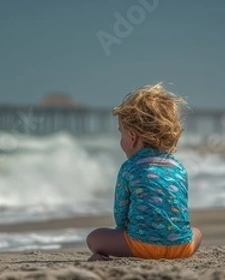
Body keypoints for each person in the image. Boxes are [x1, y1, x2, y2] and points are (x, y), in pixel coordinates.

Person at [86, 83, 202, 261]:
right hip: (182, 247)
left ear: (132, 137)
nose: (121, 139)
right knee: (197, 233)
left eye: (121, 133)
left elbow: (121, 213)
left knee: (94, 238)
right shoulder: (179, 167)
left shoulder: (129, 167)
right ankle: (180, 244)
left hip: (142, 247)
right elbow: (179, 209)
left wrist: (121, 235)